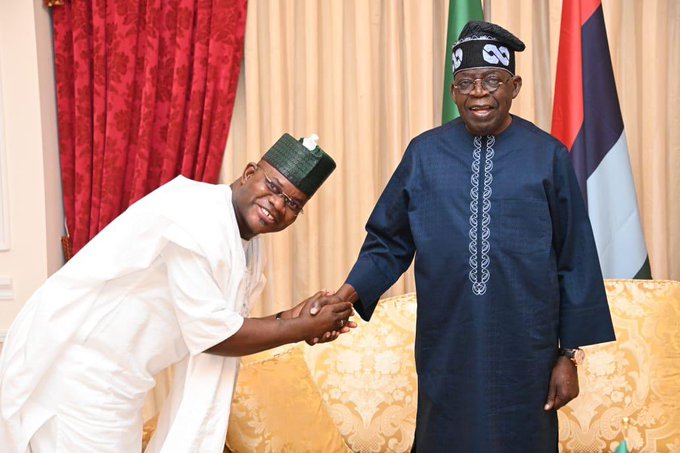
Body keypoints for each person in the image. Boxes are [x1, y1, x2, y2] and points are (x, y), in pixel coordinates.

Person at [327, 21, 616, 451]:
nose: (479, 93)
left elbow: (574, 257)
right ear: (453, 91)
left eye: (492, 80)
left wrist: (568, 355)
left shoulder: (547, 155)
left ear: (514, 86)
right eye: (466, 82)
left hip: (527, 350)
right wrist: (345, 297)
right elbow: (387, 242)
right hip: (447, 343)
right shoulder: (424, 154)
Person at [0, 133, 353, 452]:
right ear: (249, 173)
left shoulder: (247, 245)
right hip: (82, 374)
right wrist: (300, 328)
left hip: (120, 383)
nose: (277, 204)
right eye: (273, 187)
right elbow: (212, 335)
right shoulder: (196, 216)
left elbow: (226, 320)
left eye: (293, 204)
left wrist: (294, 318)